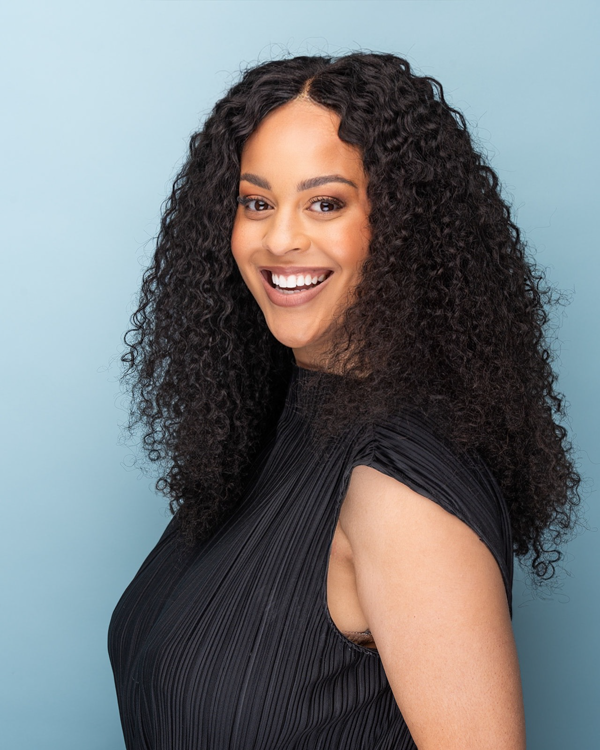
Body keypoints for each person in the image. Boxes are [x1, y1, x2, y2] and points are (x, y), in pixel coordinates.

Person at [108, 52, 580, 749]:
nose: (280, 238)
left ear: (403, 225)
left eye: (325, 203)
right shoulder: (278, 423)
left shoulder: (399, 489)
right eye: (257, 202)